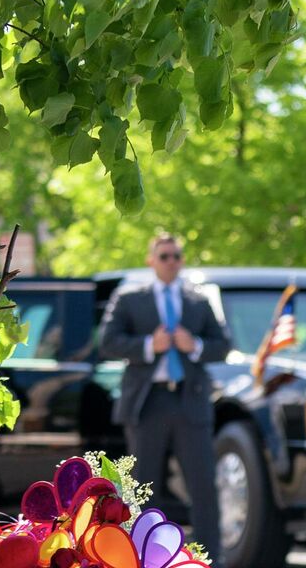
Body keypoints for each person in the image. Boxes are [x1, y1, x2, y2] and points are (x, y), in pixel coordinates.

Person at [98, 233, 234, 561]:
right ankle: (144, 558)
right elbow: (108, 342)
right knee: (144, 488)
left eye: (176, 256)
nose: (171, 261)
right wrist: (148, 345)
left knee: (202, 485)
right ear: (151, 260)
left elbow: (223, 345)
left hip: (190, 400)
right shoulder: (130, 297)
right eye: (164, 256)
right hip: (148, 403)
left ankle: (207, 558)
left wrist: (196, 345)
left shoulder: (198, 299)